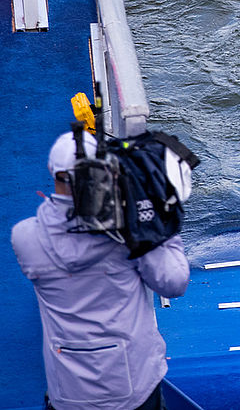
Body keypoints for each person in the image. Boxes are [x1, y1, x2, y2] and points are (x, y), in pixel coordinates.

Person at [11, 130, 190, 410]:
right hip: (133, 388)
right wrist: (160, 224)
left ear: (52, 172)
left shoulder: (24, 237)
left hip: (68, 392)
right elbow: (173, 283)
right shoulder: (129, 237)